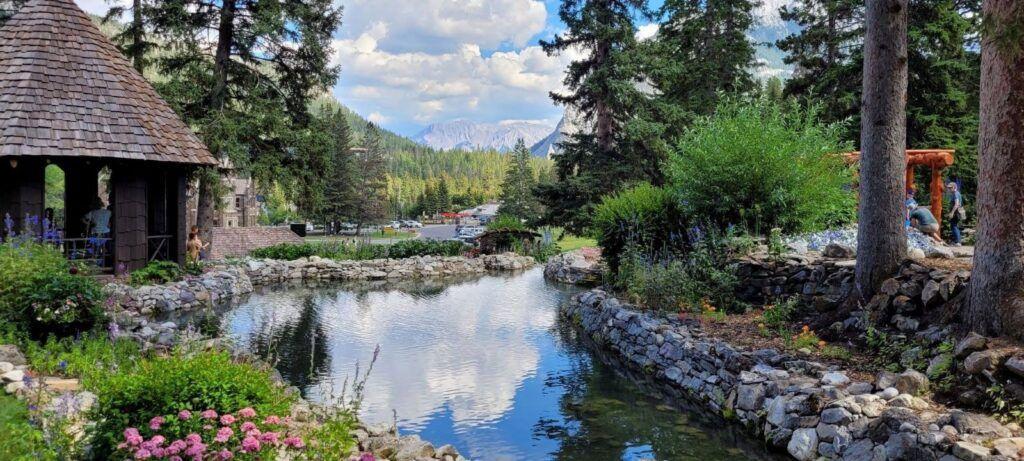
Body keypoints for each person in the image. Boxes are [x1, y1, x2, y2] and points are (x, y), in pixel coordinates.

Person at [946, 182, 965, 246]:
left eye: (950, 188)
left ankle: (958, 242)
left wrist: (952, 213)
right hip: (957, 212)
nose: (949, 189)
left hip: (956, 213)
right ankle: (957, 241)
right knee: (954, 226)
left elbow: (956, 204)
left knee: (953, 226)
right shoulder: (955, 193)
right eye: (948, 188)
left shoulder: (956, 194)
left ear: (954, 187)